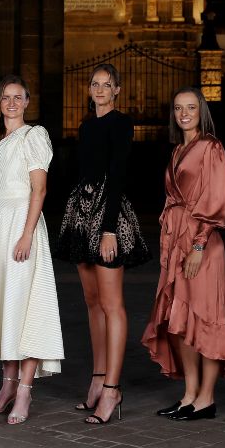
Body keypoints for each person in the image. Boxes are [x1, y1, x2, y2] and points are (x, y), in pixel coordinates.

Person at [140, 87, 225, 421]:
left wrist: (199, 245)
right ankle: (189, 394)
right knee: (177, 319)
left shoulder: (211, 147)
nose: (184, 113)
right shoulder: (177, 149)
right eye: (177, 108)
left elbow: (217, 199)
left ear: (201, 110)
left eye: (190, 107)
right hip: (176, 241)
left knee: (207, 318)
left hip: (202, 242)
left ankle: (207, 398)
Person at [55, 63, 151, 424]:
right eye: (94, 84)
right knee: (92, 303)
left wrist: (109, 228)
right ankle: (97, 379)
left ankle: (113, 389)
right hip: (81, 214)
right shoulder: (87, 124)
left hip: (108, 216)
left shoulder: (121, 123)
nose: (98, 89)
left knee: (112, 304)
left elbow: (119, 175)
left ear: (117, 90)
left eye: (105, 85)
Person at [0, 75, 64, 425]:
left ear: (27, 101)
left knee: (25, 305)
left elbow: (39, 190)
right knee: (5, 306)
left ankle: (24, 390)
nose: (11, 103)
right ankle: (6, 386)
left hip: (21, 225)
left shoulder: (34, 136)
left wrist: (26, 234)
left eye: (18, 97)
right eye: (6, 97)